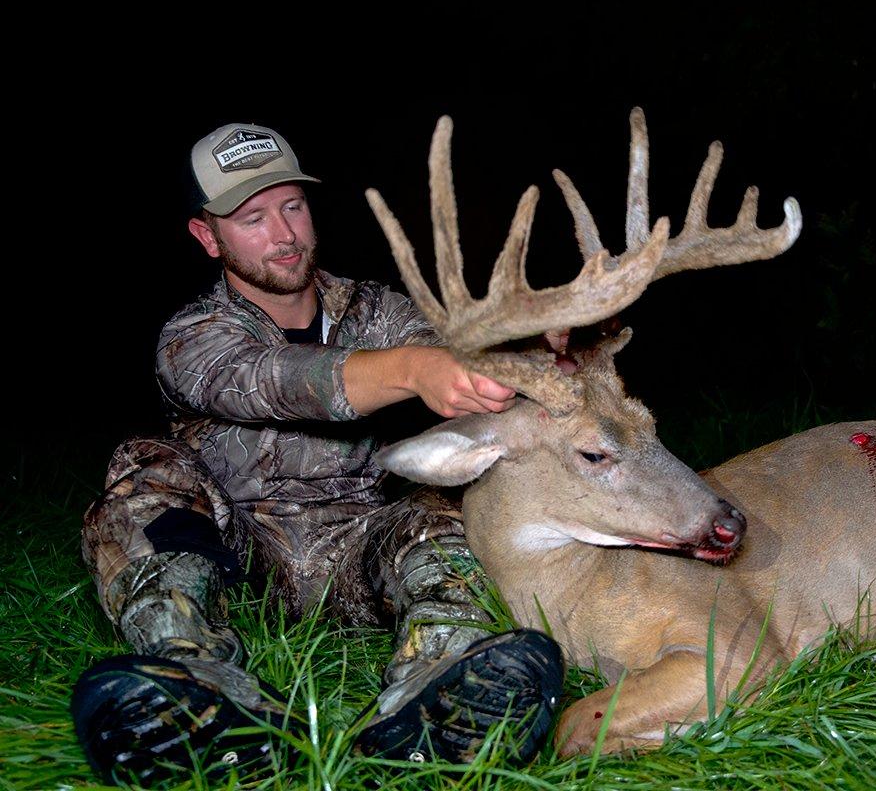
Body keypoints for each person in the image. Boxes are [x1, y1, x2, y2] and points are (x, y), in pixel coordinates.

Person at [70, 123, 564, 785]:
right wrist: (417, 370)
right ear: (207, 236)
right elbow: (274, 380)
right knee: (144, 465)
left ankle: (440, 685)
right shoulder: (191, 337)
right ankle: (190, 675)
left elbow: (453, 348)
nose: (284, 233)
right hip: (239, 561)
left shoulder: (378, 310)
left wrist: (522, 351)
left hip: (366, 549)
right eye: (251, 217)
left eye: (292, 206)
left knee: (437, 502)